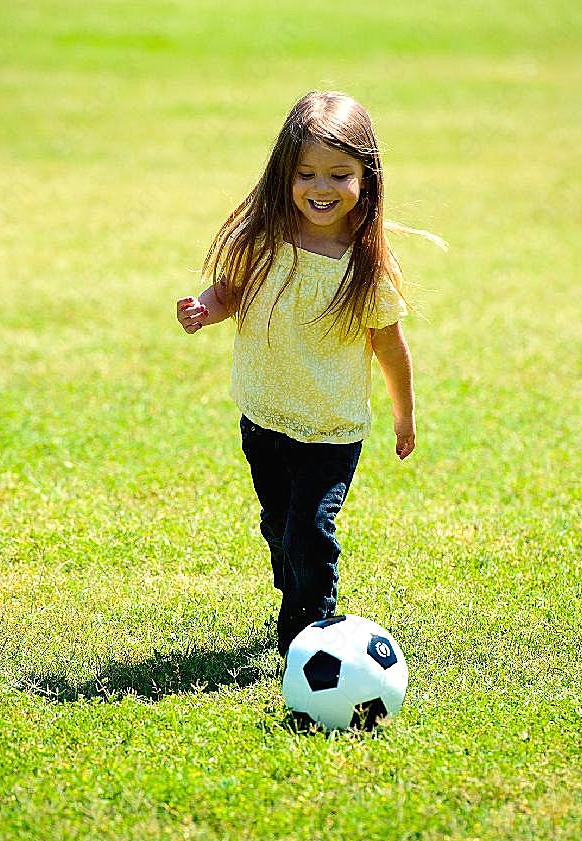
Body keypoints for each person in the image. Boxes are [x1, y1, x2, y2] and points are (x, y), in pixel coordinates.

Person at [175, 90, 436, 656]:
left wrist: (404, 416)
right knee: (278, 527)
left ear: (366, 178)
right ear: (284, 175)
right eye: (307, 174)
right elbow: (231, 291)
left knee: (308, 532)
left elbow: (391, 348)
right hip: (264, 416)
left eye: (339, 174)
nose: (322, 188)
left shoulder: (364, 270)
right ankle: (294, 594)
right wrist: (205, 308)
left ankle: (311, 631)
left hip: (329, 430)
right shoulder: (265, 243)